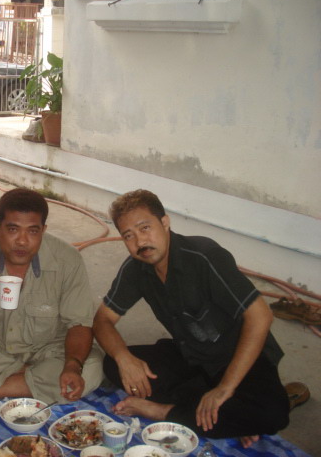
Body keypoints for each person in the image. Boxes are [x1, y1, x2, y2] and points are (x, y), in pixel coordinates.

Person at [93, 189, 295, 448]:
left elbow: (260, 317)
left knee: (272, 414)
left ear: (165, 223)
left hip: (239, 359)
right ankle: (222, 415)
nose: (140, 241)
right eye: (128, 235)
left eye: (145, 228)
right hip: (191, 359)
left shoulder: (204, 255)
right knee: (113, 363)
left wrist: (225, 388)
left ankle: (165, 411)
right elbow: (102, 320)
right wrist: (124, 358)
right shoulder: (136, 269)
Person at [0, 188, 103, 408]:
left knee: (91, 368)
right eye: (13, 229)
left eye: (33, 231)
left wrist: (71, 366)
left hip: (49, 350)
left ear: (43, 230)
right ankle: (30, 380)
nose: (22, 241)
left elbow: (79, 325)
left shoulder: (68, 259)